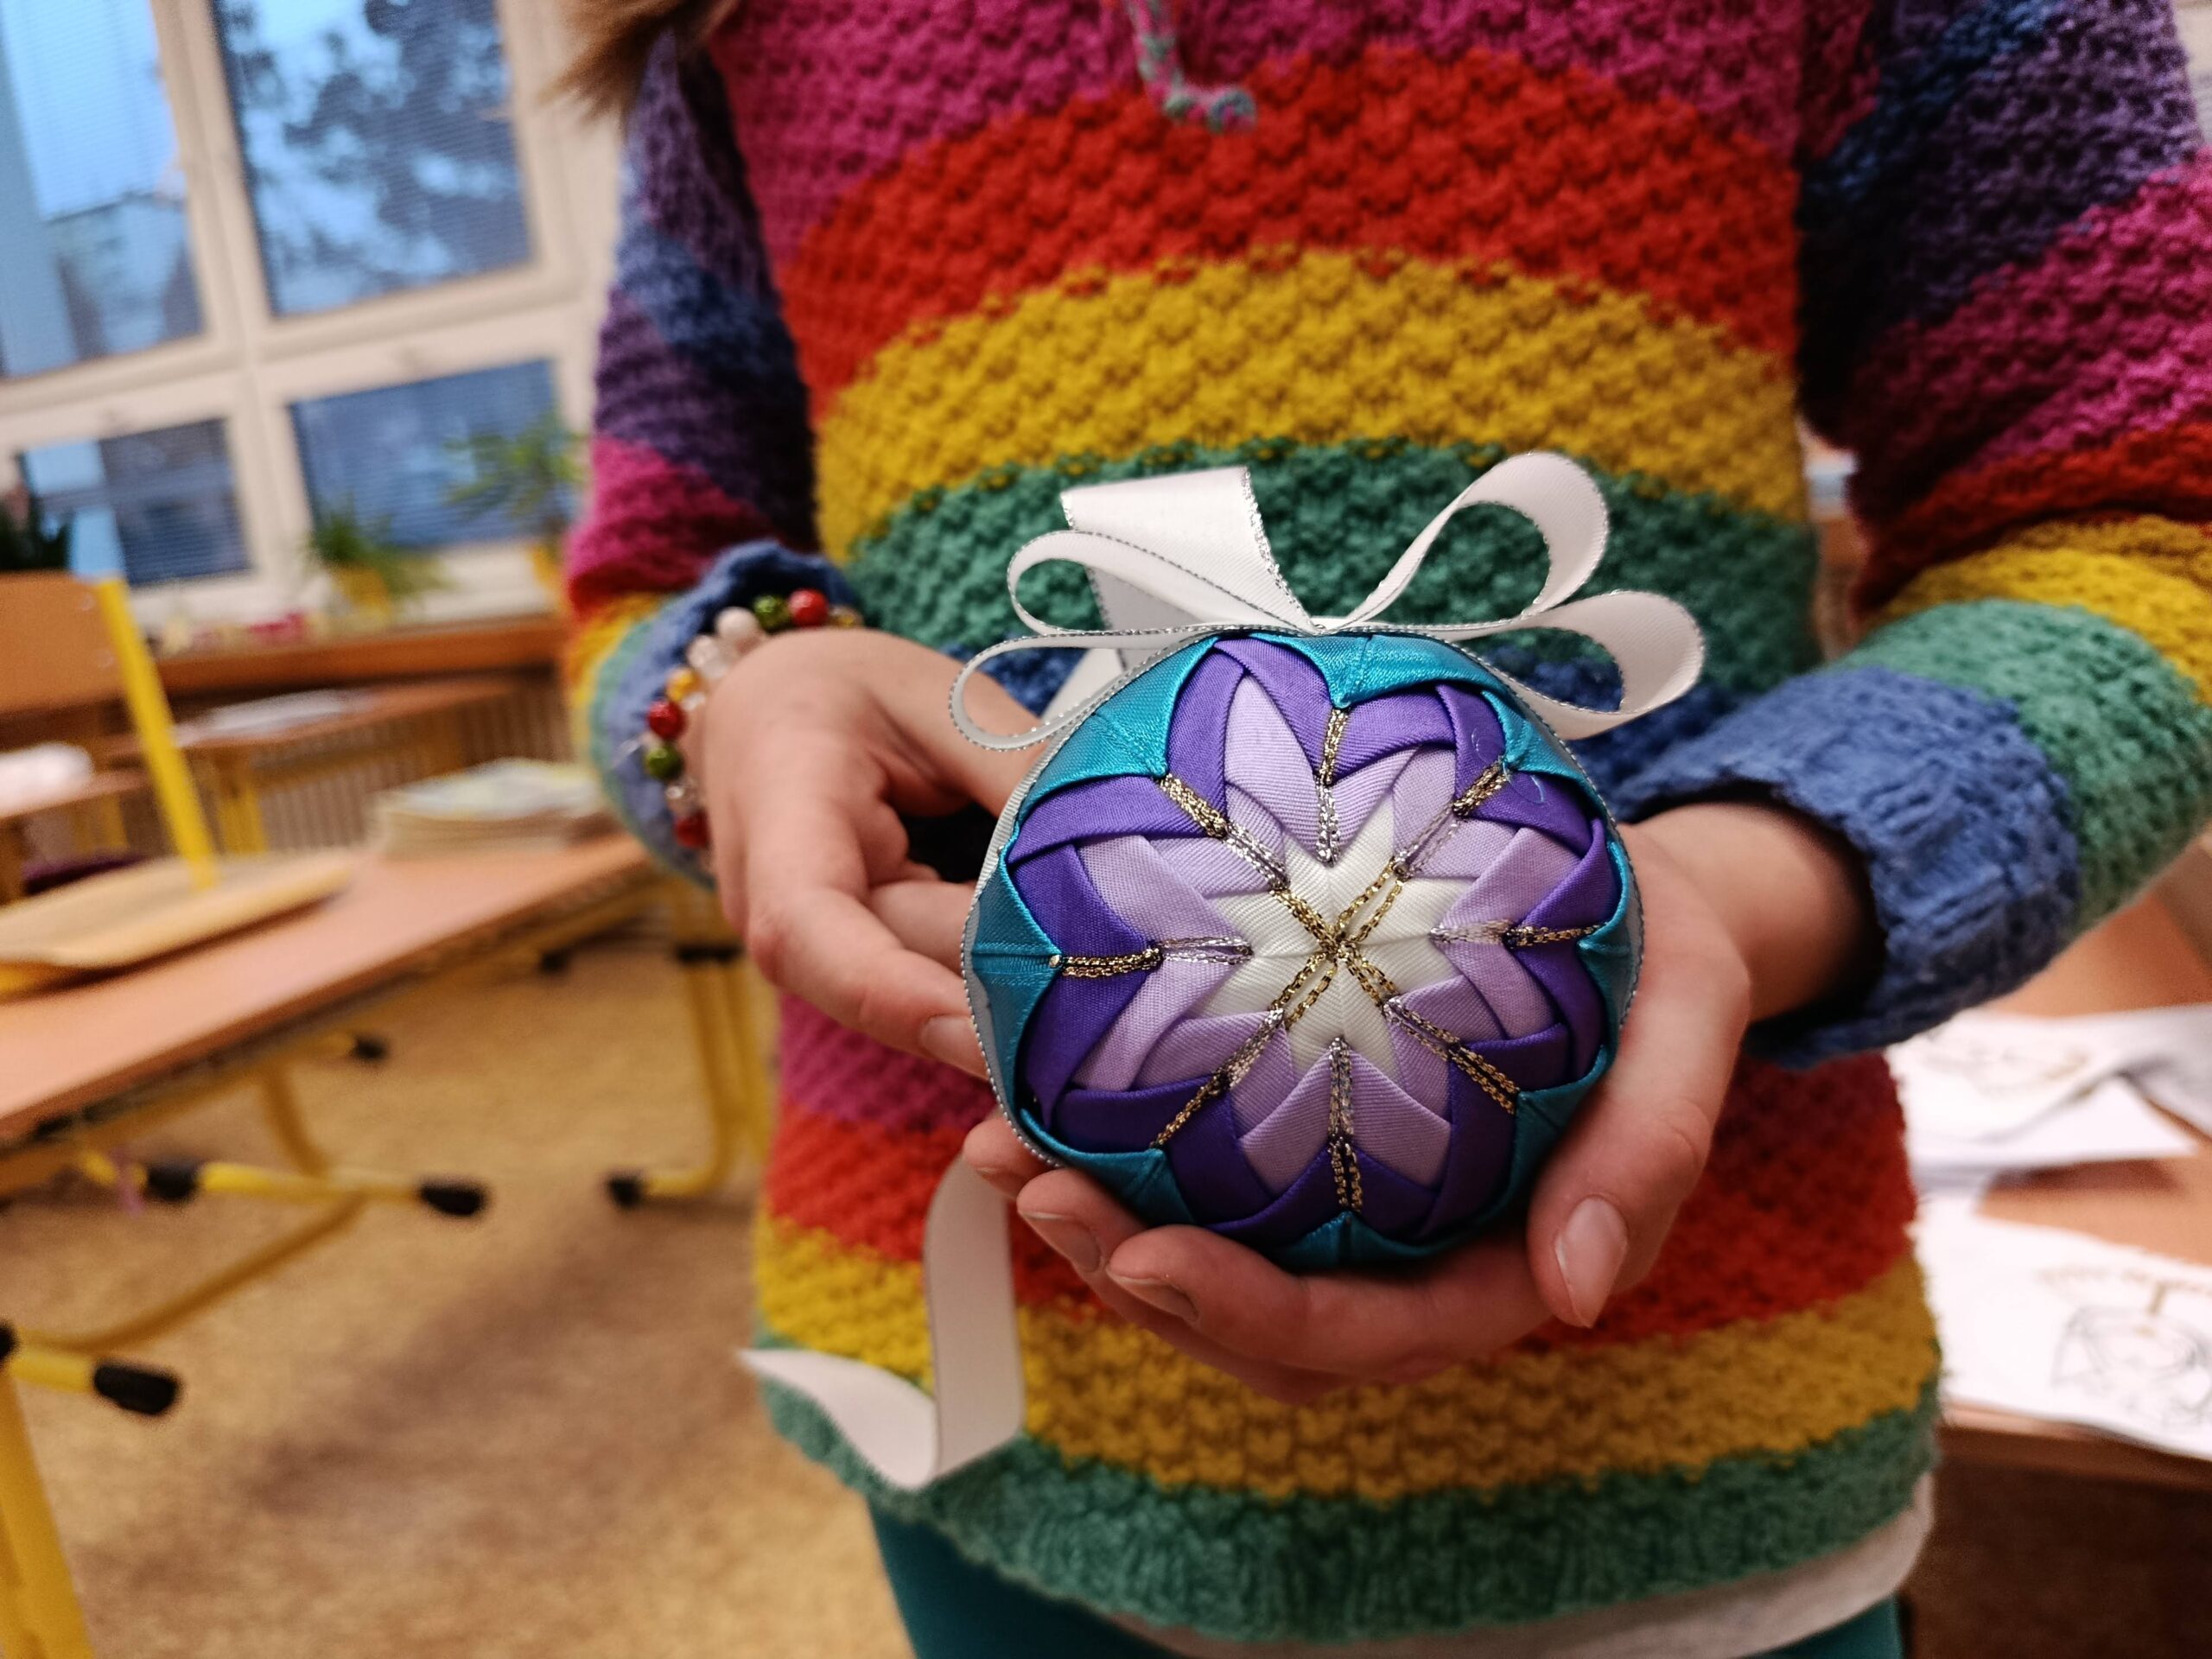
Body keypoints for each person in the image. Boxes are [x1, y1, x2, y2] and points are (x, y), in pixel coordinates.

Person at [562, 3, 2211, 1654]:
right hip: (979, 1394)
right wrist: (738, 696)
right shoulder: (734, 39)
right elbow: (653, 566)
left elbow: (2144, 516)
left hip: (1692, 1424)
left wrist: (1744, 886)